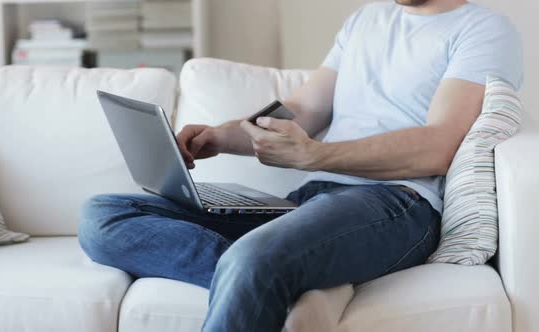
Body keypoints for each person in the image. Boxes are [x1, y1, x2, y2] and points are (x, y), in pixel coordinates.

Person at [78, 0, 524, 330]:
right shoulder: (366, 20)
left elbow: (438, 145)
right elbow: (302, 109)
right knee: (103, 216)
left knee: (255, 258)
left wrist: (317, 155)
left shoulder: (483, 29)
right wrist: (222, 135)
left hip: (397, 203)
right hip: (308, 201)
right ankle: (279, 277)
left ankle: (263, 271)